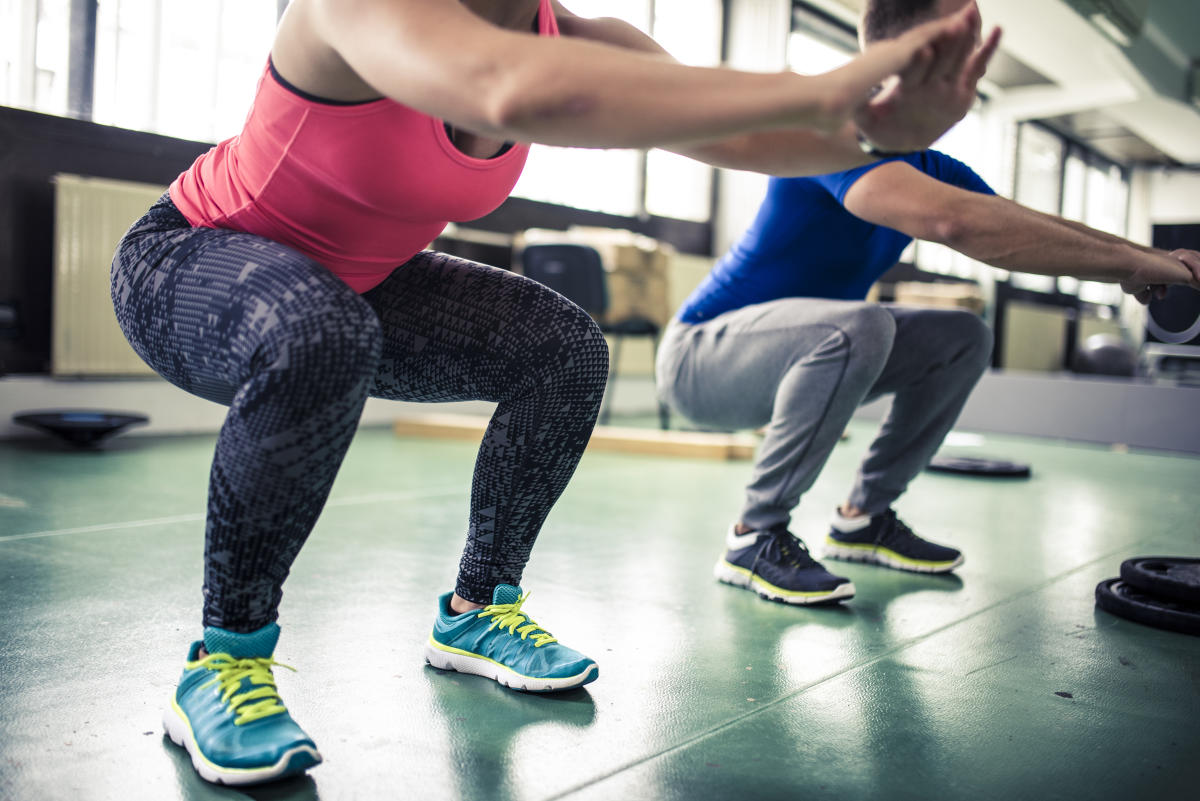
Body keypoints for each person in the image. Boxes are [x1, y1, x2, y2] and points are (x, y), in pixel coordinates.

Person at [111, 0, 999, 786]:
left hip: (357, 283)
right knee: (320, 333)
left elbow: (735, 135)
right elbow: (504, 87)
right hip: (188, 259)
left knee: (564, 349)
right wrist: (843, 82)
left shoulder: (572, 35)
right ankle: (222, 660)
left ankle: (477, 610)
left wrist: (882, 130)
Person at [655, 0, 1200, 609]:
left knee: (962, 336)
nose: (971, 84)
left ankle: (863, 519)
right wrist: (1143, 264)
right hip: (699, 358)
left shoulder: (930, 167)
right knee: (859, 325)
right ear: (919, 63)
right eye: (962, 61)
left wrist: (1145, 259)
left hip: (794, 351)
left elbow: (1018, 228)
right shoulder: (826, 136)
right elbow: (953, 221)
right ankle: (752, 536)